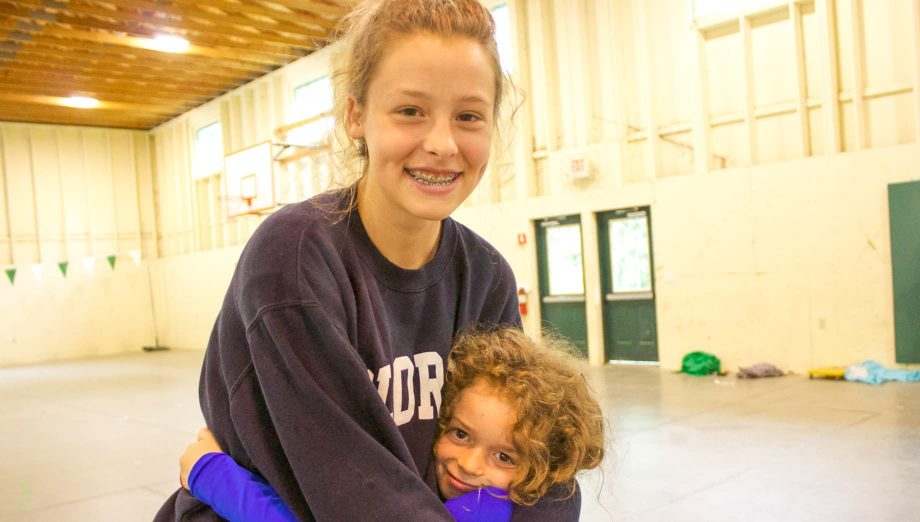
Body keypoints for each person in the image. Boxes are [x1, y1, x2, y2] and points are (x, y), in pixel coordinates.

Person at [153, 0, 586, 520]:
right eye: (410, 111)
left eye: (468, 116)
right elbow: (352, 497)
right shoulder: (295, 257)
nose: (443, 143)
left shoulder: (485, 275)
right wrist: (225, 488)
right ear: (356, 116)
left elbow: (540, 473)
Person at [178, 328, 606, 522]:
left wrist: (210, 474)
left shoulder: (488, 508)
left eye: (504, 456)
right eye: (459, 434)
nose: (470, 464)